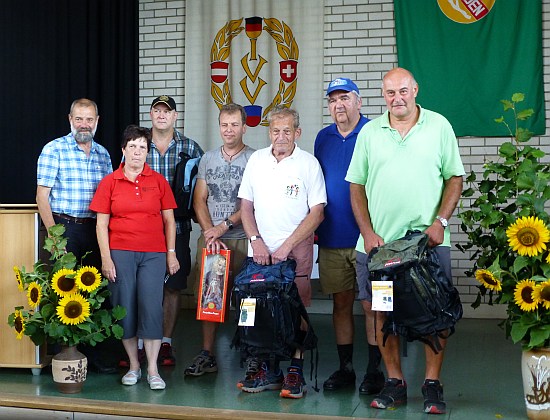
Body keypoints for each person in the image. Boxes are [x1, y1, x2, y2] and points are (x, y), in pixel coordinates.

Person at [346, 68, 464, 414]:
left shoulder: (439, 126)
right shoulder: (370, 132)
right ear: (383, 96)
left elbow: (455, 178)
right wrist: (367, 233)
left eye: (403, 91)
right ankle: (395, 381)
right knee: (381, 314)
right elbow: (356, 185)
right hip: (380, 250)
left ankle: (432, 382)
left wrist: (441, 222)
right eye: (389, 92)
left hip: (429, 245)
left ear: (415, 90)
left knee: (436, 313)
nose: (397, 98)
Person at [238, 105, 327, 399]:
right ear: (269, 132)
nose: (280, 136)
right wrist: (255, 240)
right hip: (260, 254)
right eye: (275, 131)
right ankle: (270, 370)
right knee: (263, 311)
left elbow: (317, 212)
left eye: (287, 131)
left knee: (297, 308)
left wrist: (288, 244)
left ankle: (295, 370)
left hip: (295, 254)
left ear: (297, 133)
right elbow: (246, 206)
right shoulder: (256, 161)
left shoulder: (309, 164)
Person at [90, 125, 180, 391]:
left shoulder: (158, 181)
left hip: (153, 253)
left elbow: (169, 221)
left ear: (147, 152)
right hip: (120, 253)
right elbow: (100, 225)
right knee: (124, 308)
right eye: (132, 147)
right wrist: (106, 259)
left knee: (151, 307)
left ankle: (152, 369)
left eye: (142, 147)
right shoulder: (110, 182)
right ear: (123, 150)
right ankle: (133, 365)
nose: (137, 152)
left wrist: (171, 254)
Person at [36, 98, 116, 375]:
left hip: (94, 229)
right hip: (63, 226)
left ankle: (93, 355)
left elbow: (108, 199)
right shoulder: (53, 149)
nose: (84, 124)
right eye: (79, 119)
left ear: (97, 121)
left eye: (89, 119)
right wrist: (54, 236)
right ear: (70, 119)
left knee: (94, 291)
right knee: (66, 290)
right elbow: (41, 197)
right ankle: (65, 356)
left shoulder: (104, 154)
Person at [314, 77, 384, 394]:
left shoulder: (375, 132)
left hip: (369, 239)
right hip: (331, 237)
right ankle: (346, 369)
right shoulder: (322, 138)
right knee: (341, 304)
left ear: (359, 101)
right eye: (333, 100)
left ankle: (375, 370)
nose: (338, 105)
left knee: (373, 306)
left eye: (344, 98)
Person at [184, 103, 254, 376]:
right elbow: (199, 199)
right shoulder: (208, 158)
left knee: (248, 299)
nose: (229, 130)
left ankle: (250, 352)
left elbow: (253, 202)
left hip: (244, 238)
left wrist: (223, 226)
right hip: (213, 240)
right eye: (224, 124)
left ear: (244, 127)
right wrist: (209, 231)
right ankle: (207, 354)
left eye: (234, 124)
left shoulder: (255, 159)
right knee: (209, 299)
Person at [144, 95, 204, 367]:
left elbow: (203, 189)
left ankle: (165, 344)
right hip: (142, 230)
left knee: (173, 286)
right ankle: (144, 342)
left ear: (175, 116)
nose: (161, 115)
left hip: (178, 228)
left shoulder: (191, 147)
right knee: (144, 288)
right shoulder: (138, 144)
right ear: (151, 114)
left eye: (166, 111)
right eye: (157, 110)